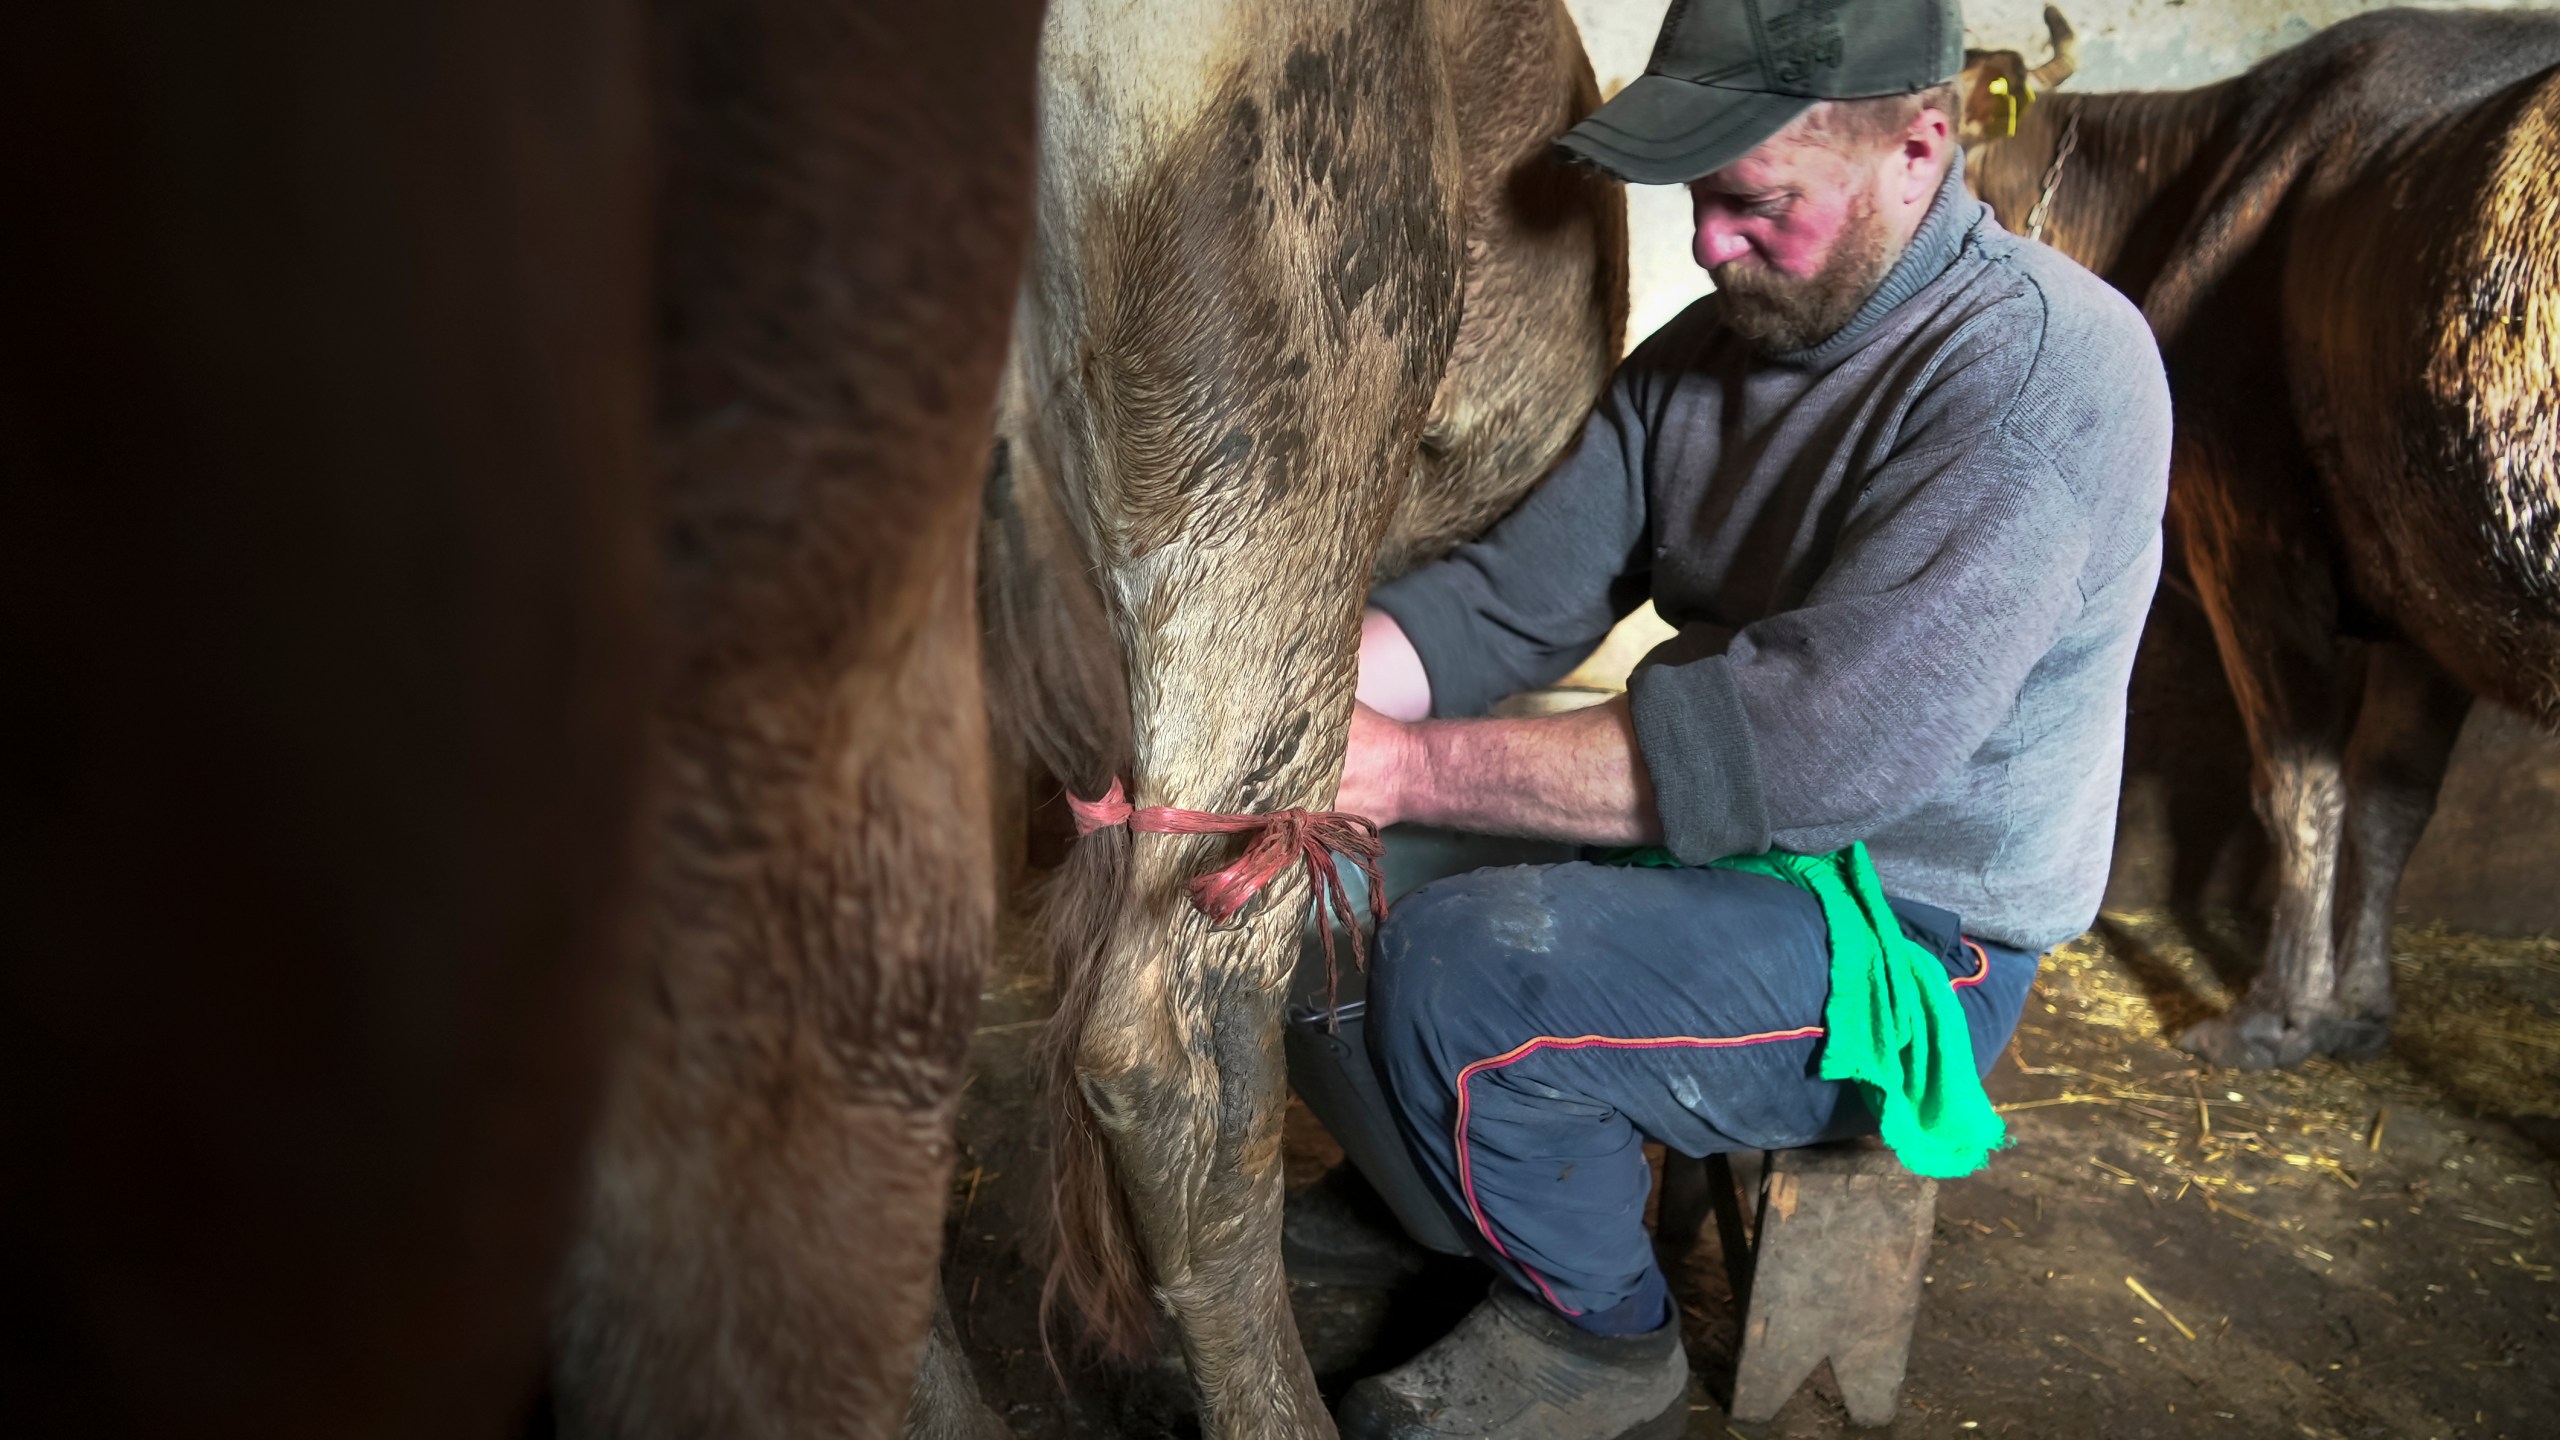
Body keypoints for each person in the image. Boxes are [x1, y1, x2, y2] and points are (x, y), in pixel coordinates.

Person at [1304, 0, 2173, 1436]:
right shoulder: (1710, 356)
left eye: (1750, 201)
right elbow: (1512, 601)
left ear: (1919, 149)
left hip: (1914, 928)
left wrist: (1400, 767)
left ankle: (1598, 1337)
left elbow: (1812, 753)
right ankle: (1439, 1195)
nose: (1707, 244)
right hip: (1722, 853)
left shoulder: (2042, 377)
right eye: (1697, 201)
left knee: (1464, 971)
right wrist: (1307, 718)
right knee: (1310, 884)